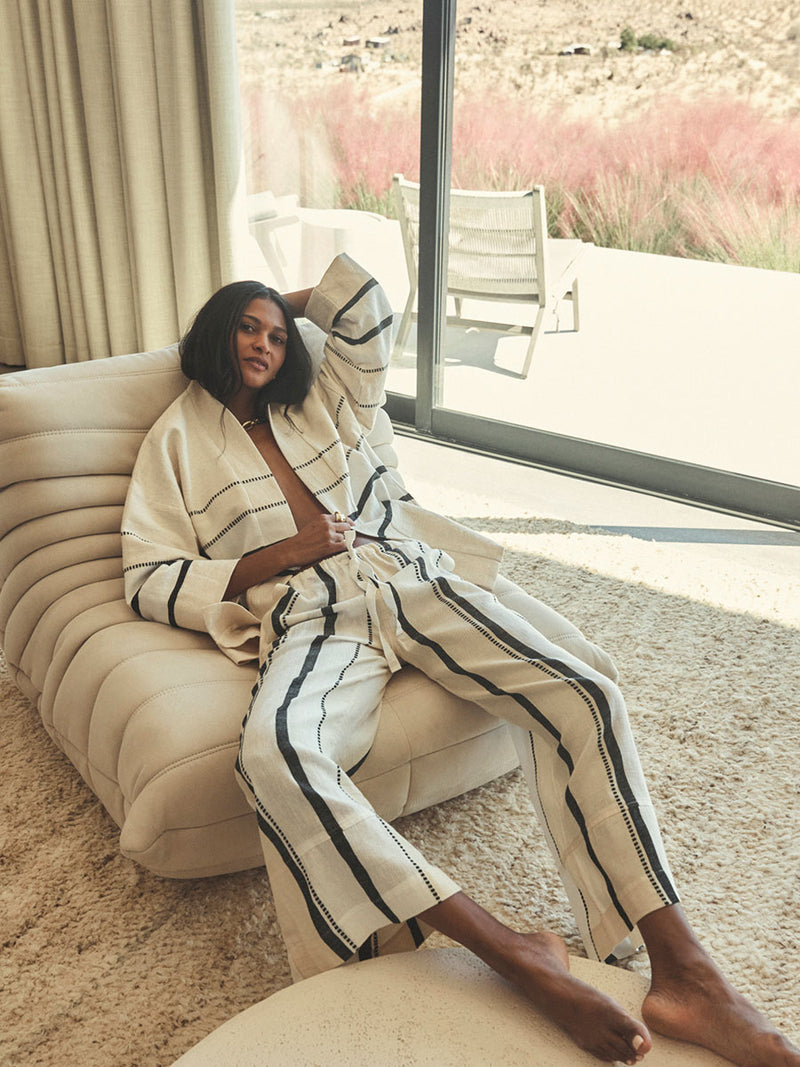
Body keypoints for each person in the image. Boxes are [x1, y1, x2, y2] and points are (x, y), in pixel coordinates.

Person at [121, 253, 798, 1066]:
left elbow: (365, 305)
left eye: (275, 333)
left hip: (409, 573)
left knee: (585, 691)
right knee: (274, 754)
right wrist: (283, 552)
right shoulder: (175, 441)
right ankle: (512, 952)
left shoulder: (321, 398)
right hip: (313, 613)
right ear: (214, 333)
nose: (264, 342)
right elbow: (149, 574)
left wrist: (273, 299)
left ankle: (687, 972)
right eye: (245, 328)